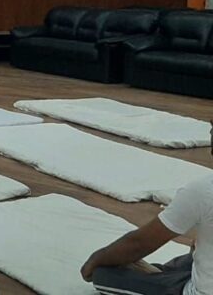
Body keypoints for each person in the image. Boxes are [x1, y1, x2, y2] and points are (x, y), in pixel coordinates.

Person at [80, 121, 213, 295]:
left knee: (103, 274)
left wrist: (95, 261)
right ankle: (161, 275)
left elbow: (139, 244)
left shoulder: (203, 190)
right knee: (197, 249)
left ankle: (159, 277)